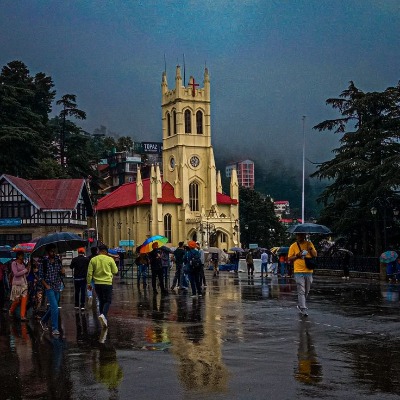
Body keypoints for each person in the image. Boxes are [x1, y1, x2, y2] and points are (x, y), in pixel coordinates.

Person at [87, 244, 118, 329]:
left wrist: (89, 283)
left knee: (101, 300)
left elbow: (89, 273)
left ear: (99, 251)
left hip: (97, 283)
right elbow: (115, 271)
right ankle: (103, 315)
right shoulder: (110, 259)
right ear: (105, 251)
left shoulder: (93, 259)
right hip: (107, 283)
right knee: (107, 301)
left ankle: (103, 318)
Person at [288, 233, 317, 317]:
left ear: (304, 236)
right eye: (298, 235)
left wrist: (310, 249)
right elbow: (289, 258)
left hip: (309, 271)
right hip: (298, 271)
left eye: (301, 235)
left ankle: (300, 304)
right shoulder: (293, 246)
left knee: (307, 290)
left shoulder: (309, 244)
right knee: (301, 290)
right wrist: (298, 255)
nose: (299, 237)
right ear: (296, 236)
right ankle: (303, 309)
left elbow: (315, 255)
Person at [39, 245, 65, 335]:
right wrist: (46, 286)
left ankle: (43, 320)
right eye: (51, 251)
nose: (53, 253)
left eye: (54, 251)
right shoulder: (44, 262)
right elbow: (40, 276)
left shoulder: (58, 261)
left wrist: (63, 271)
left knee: (53, 308)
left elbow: (61, 273)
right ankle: (55, 328)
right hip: (49, 287)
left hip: (57, 286)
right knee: (55, 307)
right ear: (47, 252)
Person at [9, 251, 30, 321]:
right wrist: (25, 270)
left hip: (24, 284)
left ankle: (22, 316)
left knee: (24, 299)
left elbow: (25, 275)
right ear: (18, 256)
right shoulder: (14, 263)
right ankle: (11, 310)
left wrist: (28, 269)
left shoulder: (23, 264)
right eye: (21, 255)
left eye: (23, 255)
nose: (23, 257)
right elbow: (16, 274)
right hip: (17, 284)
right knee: (17, 300)